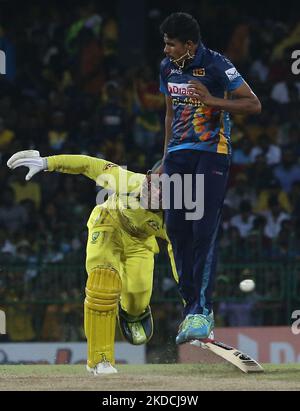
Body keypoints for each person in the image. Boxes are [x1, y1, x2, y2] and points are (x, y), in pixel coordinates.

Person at [7, 150, 176, 375]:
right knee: (102, 284)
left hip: (139, 244)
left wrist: (193, 303)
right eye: (153, 184)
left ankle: (133, 312)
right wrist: (47, 162)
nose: (154, 192)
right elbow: (87, 164)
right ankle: (99, 360)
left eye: (163, 192)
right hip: (108, 225)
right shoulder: (127, 180)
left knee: (137, 298)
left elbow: (181, 256)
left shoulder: (173, 220)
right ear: (146, 178)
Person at [159, 12, 261, 344]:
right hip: (177, 156)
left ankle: (202, 310)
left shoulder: (217, 65)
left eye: (171, 44)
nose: (166, 50)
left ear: (190, 44)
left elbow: (253, 103)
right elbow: (170, 113)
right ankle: (192, 310)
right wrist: (164, 160)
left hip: (211, 152)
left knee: (203, 228)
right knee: (175, 229)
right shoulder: (167, 70)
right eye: (164, 43)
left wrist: (213, 100)